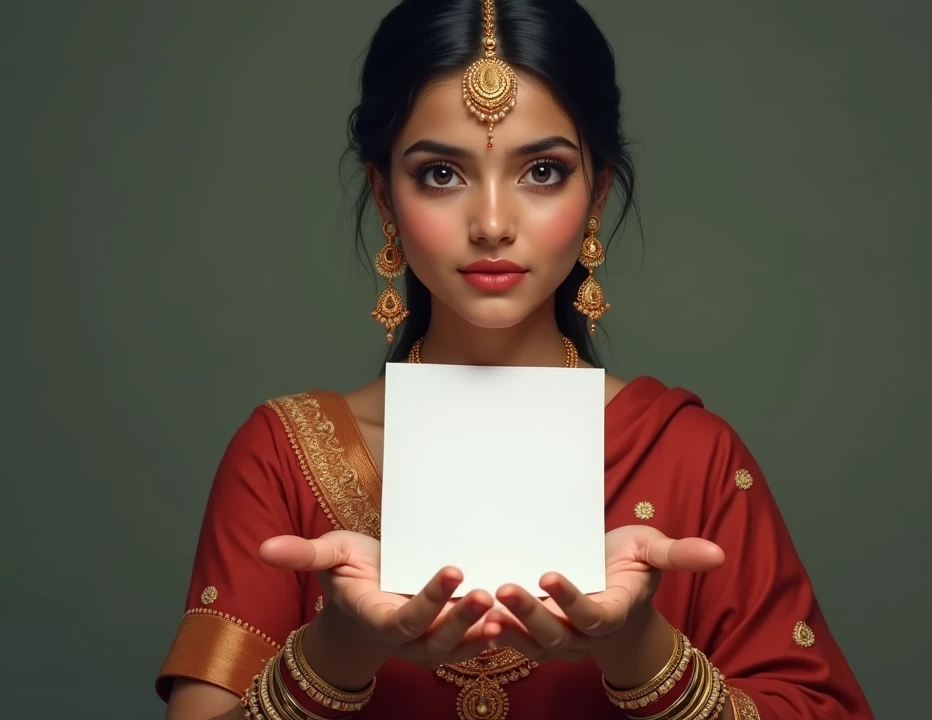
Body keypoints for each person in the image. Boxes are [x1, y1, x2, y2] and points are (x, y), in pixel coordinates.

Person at [156, 1, 874, 718]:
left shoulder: (692, 458)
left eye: (542, 171)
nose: (492, 223)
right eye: (441, 174)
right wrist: (335, 650)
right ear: (385, 195)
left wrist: (640, 649)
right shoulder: (285, 457)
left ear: (597, 193)